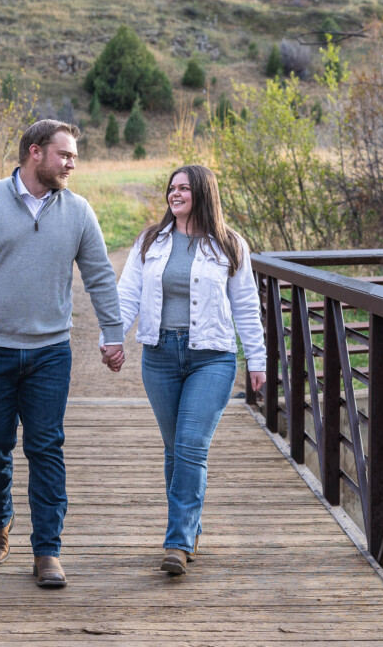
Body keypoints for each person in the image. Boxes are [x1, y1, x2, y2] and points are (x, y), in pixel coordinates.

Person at [0, 119, 125, 589]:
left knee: (46, 447)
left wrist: (113, 331)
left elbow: (100, 275)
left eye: (75, 158)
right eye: (64, 155)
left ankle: (47, 550)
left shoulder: (79, 211)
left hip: (49, 352)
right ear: (34, 152)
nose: (71, 164)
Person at [106, 164, 266, 576]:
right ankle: (190, 527)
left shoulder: (231, 245)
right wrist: (113, 338)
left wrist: (257, 360)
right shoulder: (151, 242)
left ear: (202, 192)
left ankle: (176, 541)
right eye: (170, 187)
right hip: (159, 356)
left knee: (191, 445)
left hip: (211, 357)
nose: (174, 194)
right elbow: (128, 297)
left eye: (183, 188)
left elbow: (247, 307)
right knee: (175, 448)